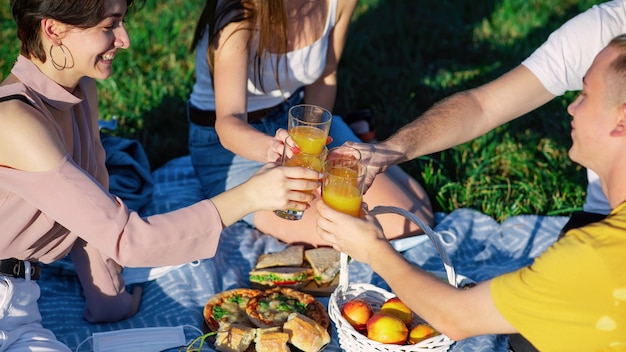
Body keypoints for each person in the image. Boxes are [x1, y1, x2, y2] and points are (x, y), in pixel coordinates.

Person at [0, 0, 322, 350]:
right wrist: (249, 196)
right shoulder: (16, 122)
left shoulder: (79, 91)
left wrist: (111, 303)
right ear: (53, 30)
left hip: (21, 306)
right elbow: (129, 239)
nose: (124, 39)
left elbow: (95, 214)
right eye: (109, 26)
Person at [316, 34, 626, 351]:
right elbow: (483, 105)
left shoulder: (592, 256)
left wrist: (373, 249)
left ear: (622, 119)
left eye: (585, 94)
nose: (572, 107)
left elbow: (456, 317)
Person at [346, 0, 626, 235]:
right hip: (602, 220)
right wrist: (391, 149)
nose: (571, 109)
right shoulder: (604, 31)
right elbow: (484, 106)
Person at [186, 0, 433, 246]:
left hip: (299, 123)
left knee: (418, 212)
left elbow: (326, 73)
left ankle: (366, 142)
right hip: (233, 149)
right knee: (404, 225)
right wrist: (278, 152)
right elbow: (228, 124)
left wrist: (314, 142)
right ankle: (359, 136)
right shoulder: (238, 15)